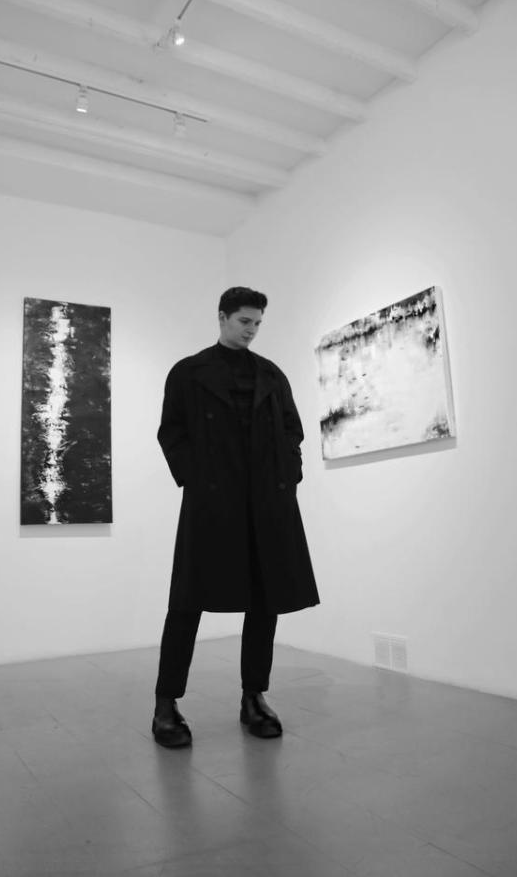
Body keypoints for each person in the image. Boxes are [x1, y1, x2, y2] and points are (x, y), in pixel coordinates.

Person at [152, 287, 319, 747]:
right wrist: (196, 478)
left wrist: (289, 474)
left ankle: (253, 697)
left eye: (258, 323)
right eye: (245, 321)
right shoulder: (188, 372)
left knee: (265, 602)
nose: (252, 330)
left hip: (267, 503)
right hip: (212, 502)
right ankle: (166, 704)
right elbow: (171, 432)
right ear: (222, 317)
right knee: (187, 602)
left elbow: (293, 430)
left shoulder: (271, 374)